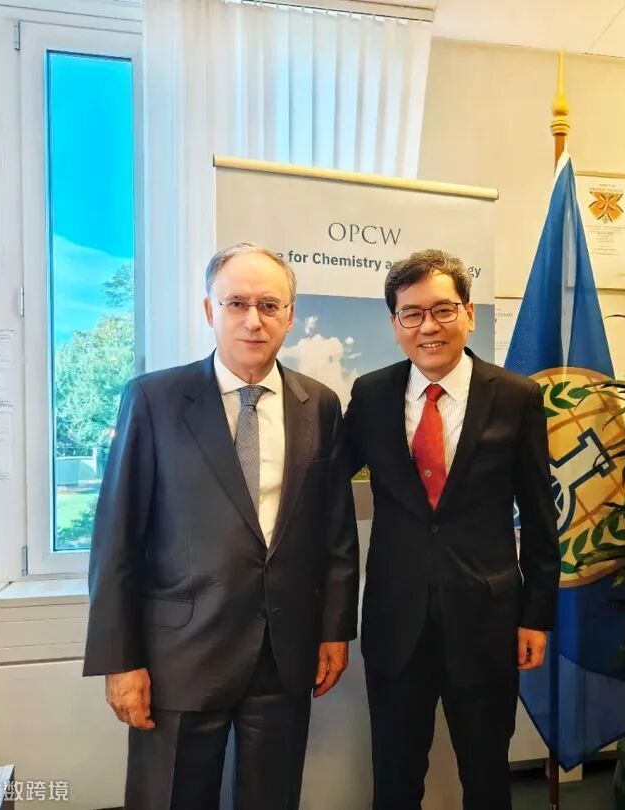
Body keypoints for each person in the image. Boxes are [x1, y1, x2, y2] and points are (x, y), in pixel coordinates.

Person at [83, 242, 359, 810]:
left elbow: (335, 531)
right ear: (210, 311)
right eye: (236, 303)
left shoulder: (319, 404)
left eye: (269, 304)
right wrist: (120, 659)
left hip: (283, 654)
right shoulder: (155, 399)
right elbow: (116, 539)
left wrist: (335, 629)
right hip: (180, 655)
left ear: (290, 315)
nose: (253, 320)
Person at [344, 249, 559, 810]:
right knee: (395, 777)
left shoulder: (516, 396)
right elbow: (321, 480)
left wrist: (536, 615)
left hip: (487, 621)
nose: (428, 327)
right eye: (411, 313)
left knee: (486, 777)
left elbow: (541, 515)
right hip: (396, 621)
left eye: (442, 310)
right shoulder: (370, 395)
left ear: (469, 314)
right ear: (395, 324)